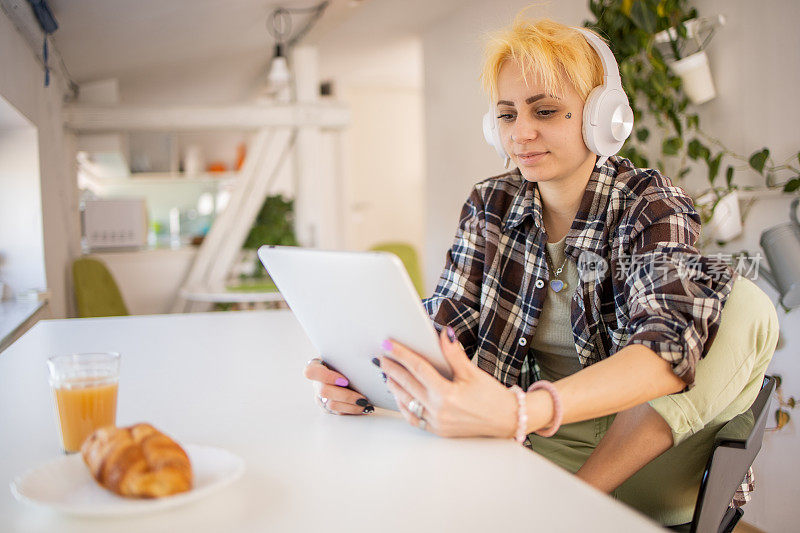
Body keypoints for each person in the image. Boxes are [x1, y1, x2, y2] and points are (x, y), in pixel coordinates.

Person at [303, 14, 779, 526]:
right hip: (542, 448)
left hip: (649, 457)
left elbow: (664, 349)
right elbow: (444, 325)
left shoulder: (650, 203)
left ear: (603, 118)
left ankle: (574, 504)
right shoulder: (492, 203)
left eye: (546, 111)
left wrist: (521, 412)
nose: (521, 133)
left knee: (744, 303)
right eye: (507, 114)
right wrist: (357, 371)